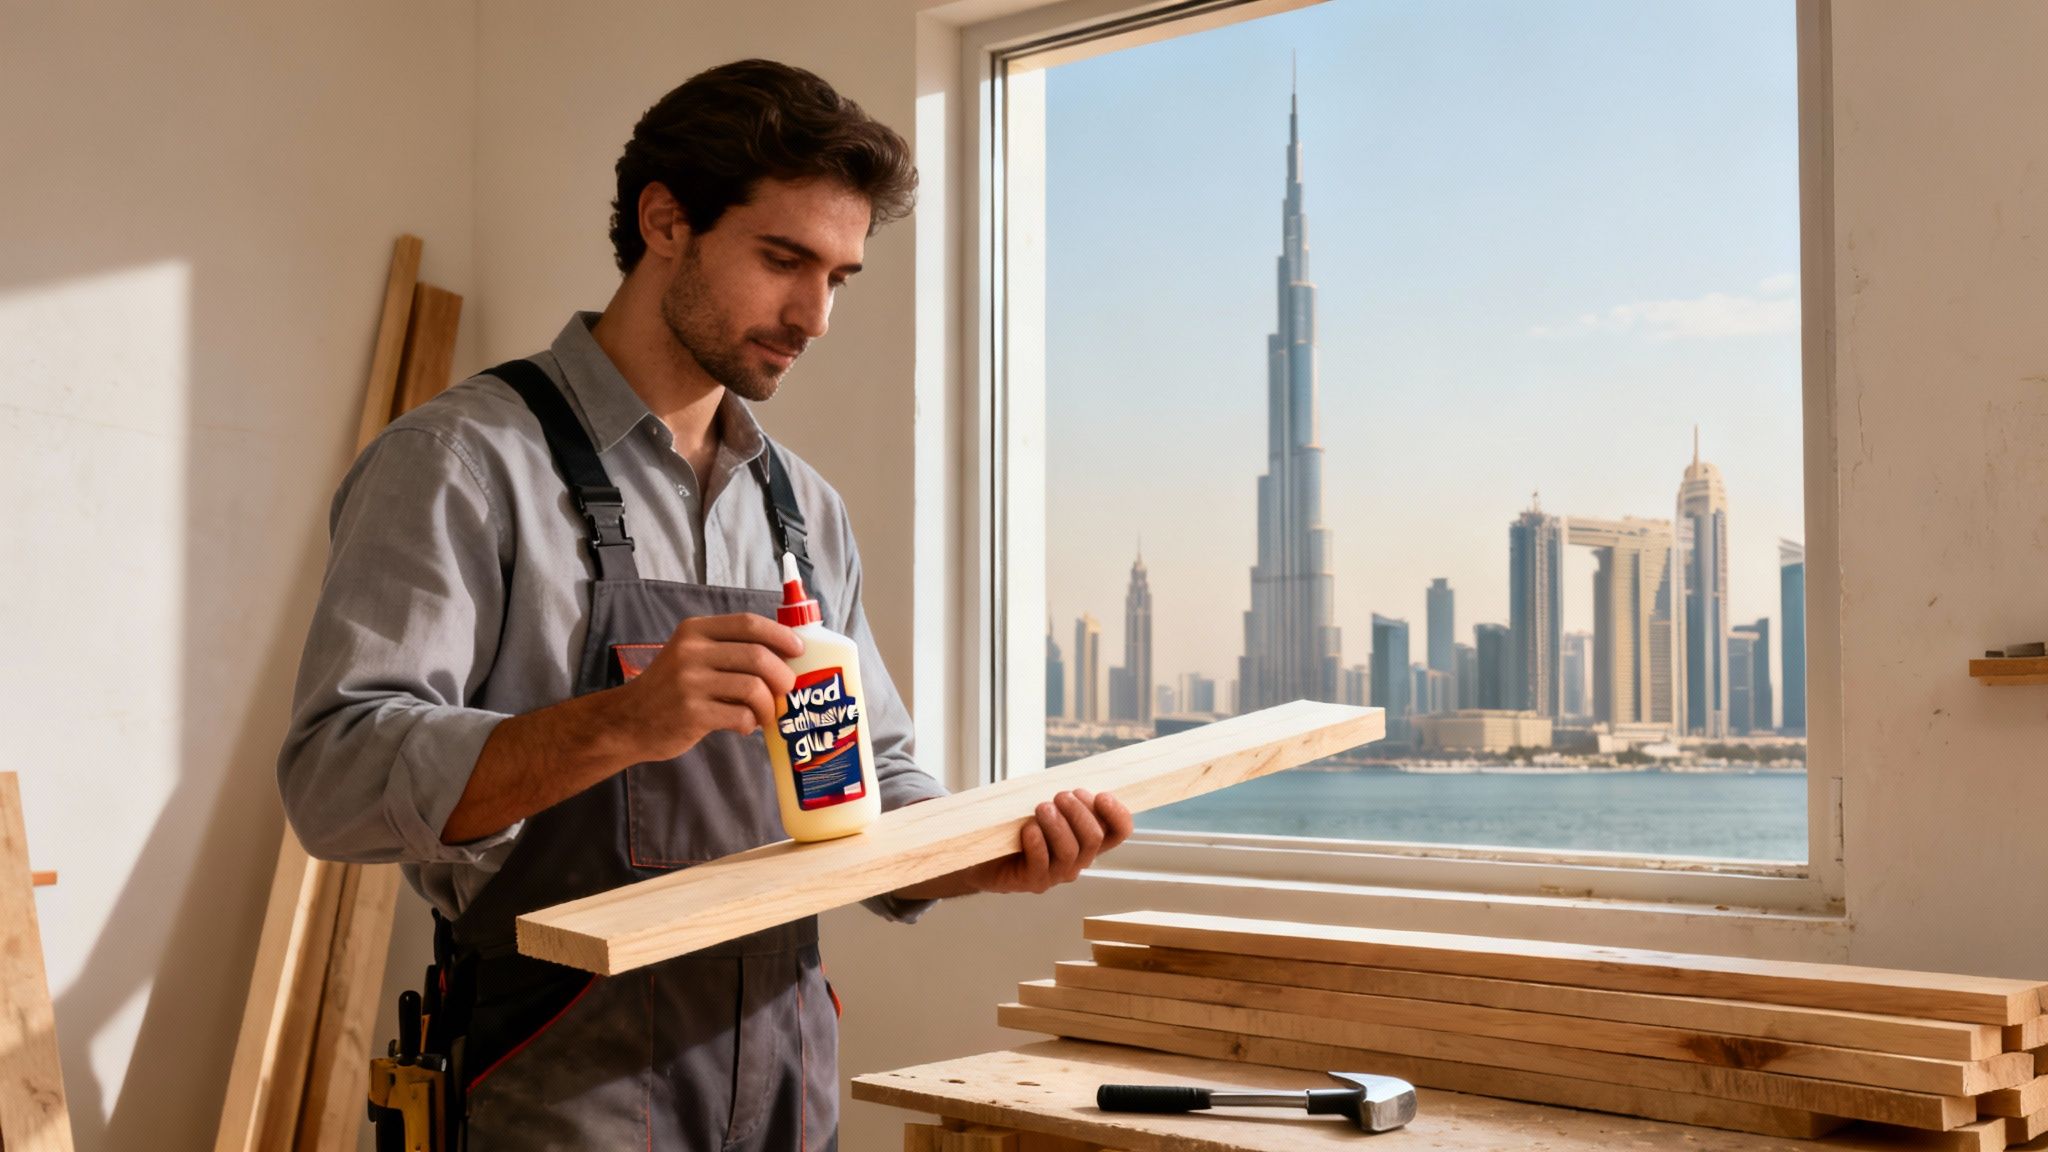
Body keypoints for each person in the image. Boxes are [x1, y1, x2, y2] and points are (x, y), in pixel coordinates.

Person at [278, 58, 1133, 1150]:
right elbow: (334, 779)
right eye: (784, 260)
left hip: (785, 1064)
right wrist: (620, 724)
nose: (814, 315)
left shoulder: (802, 510)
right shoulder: (458, 463)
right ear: (665, 221)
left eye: (838, 277)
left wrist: (977, 855)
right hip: (554, 1068)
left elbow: (875, 780)